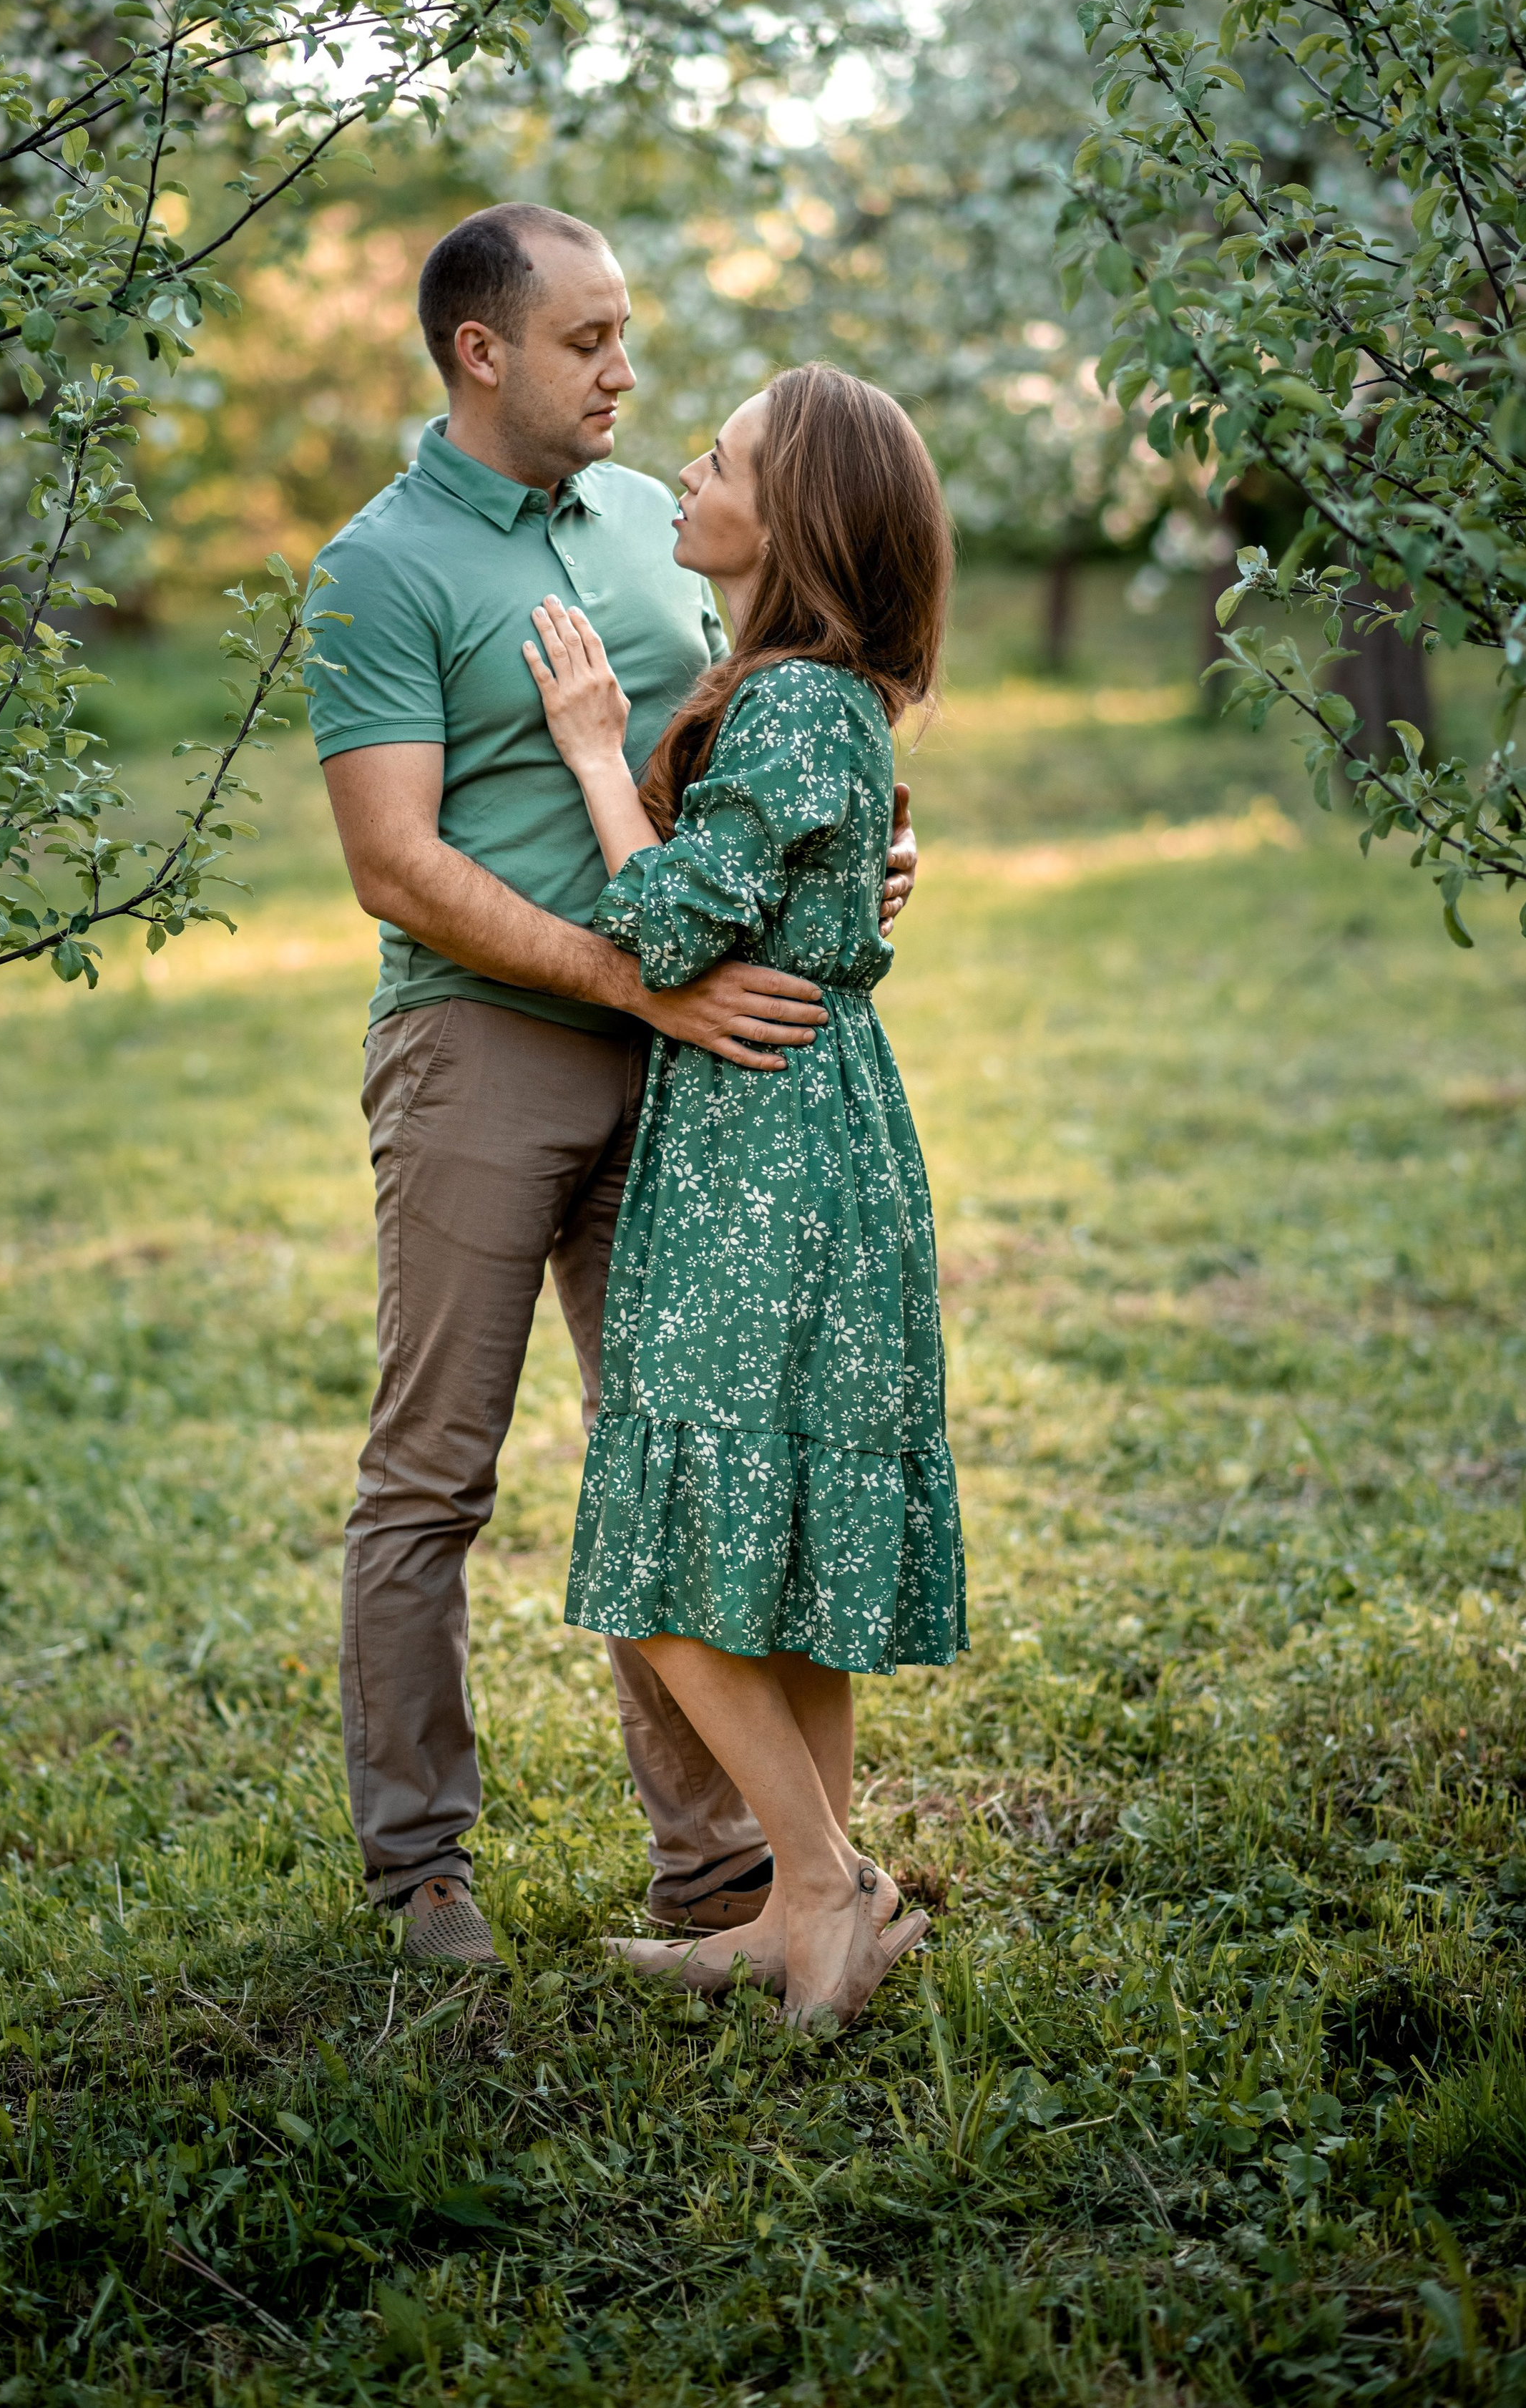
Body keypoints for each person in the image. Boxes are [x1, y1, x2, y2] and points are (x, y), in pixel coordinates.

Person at [305, 205, 920, 1967]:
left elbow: (766, 725)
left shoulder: (661, 524)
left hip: (706, 1082)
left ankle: (728, 1874)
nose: (624, 376)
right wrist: (634, 984)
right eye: (585, 341)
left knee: (683, 1451)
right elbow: (392, 864)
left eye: (627, 332)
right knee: (434, 1469)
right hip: (481, 1055)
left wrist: (857, 854)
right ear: (480, 352)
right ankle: (423, 1869)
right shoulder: (382, 567)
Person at [522, 361, 964, 2028]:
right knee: (785, 1529)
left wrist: (586, 752)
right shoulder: (797, 691)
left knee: (672, 1560)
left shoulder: (788, 702)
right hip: (810, 1129)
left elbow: (668, 923)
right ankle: (799, 1911)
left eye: (718, 461)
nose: (682, 472)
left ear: (790, 521)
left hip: (762, 1150)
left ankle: (833, 1882)